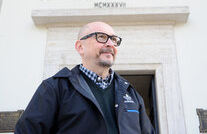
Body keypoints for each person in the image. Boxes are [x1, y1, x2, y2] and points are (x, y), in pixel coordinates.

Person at [15, 21, 155, 134]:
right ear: (80, 47)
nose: (110, 44)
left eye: (114, 39)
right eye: (101, 37)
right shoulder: (54, 88)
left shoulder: (131, 94)